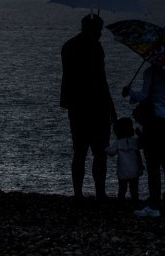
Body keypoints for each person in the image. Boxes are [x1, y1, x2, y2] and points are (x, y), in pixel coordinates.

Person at [60, 13, 117, 202]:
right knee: (99, 150)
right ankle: (100, 192)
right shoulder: (96, 48)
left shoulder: (68, 47)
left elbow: (68, 78)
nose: (101, 34)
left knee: (79, 149)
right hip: (96, 106)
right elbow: (101, 79)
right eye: (99, 30)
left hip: (76, 106)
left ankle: (77, 193)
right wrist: (111, 107)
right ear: (93, 29)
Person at [123, 64, 165, 217]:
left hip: (153, 121)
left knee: (153, 162)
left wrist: (130, 92)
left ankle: (154, 203)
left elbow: (144, 96)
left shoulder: (150, 72)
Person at [107, 117, 143, 202]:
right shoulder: (135, 141)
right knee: (134, 189)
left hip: (123, 170)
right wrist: (140, 135)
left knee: (122, 189)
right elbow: (142, 144)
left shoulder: (117, 143)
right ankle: (135, 202)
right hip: (134, 170)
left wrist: (105, 147)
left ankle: (121, 203)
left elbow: (111, 153)